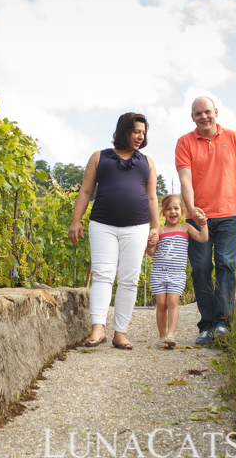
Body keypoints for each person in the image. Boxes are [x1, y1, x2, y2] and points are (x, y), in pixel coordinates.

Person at [68, 112, 160, 350]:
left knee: (129, 280)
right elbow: (86, 192)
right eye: (136, 131)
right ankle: (97, 329)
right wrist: (75, 221)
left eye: (143, 132)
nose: (140, 136)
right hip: (102, 225)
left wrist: (156, 227)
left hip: (137, 227)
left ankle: (120, 333)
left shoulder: (147, 162)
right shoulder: (100, 157)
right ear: (123, 130)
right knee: (102, 275)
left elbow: (152, 197)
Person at [175, 96, 236, 345]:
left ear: (216, 112)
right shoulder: (184, 142)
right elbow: (185, 179)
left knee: (225, 265)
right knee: (201, 269)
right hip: (197, 217)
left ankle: (223, 322)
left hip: (229, 214)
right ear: (192, 117)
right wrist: (191, 208)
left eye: (207, 112)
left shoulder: (233, 138)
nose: (203, 117)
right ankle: (206, 325)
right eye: (198, 113)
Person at [146, 194, 208, 348]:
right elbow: (151, 252)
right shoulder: (159, 230)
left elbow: (203, 238)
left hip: (177, 274)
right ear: (163, 212)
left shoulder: (185, 228)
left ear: (182, 211)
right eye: (168, 209)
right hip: (158, 273)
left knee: (172, 302)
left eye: (176, 208)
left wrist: (204, 223)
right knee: (161, 304)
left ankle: (171, 334)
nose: (172, 212)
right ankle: (162, 337)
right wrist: (150, 242)